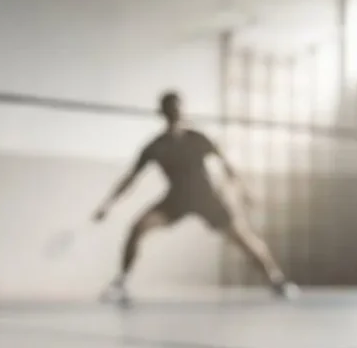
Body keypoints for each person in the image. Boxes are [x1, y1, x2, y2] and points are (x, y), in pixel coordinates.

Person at [92, 90, 298, 305]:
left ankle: (277, 280)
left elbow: (226, 166)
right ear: (162, 112)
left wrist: (243, 190)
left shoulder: (198, 138)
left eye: (177, 108)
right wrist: (108, 204)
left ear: (182, 111)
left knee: (244, 239)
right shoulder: (155, 146)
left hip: (206, 197)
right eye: (170, 109)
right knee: (137, 228)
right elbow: (131, 178)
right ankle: (121, 283)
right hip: (176, 200)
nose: (174, 112)